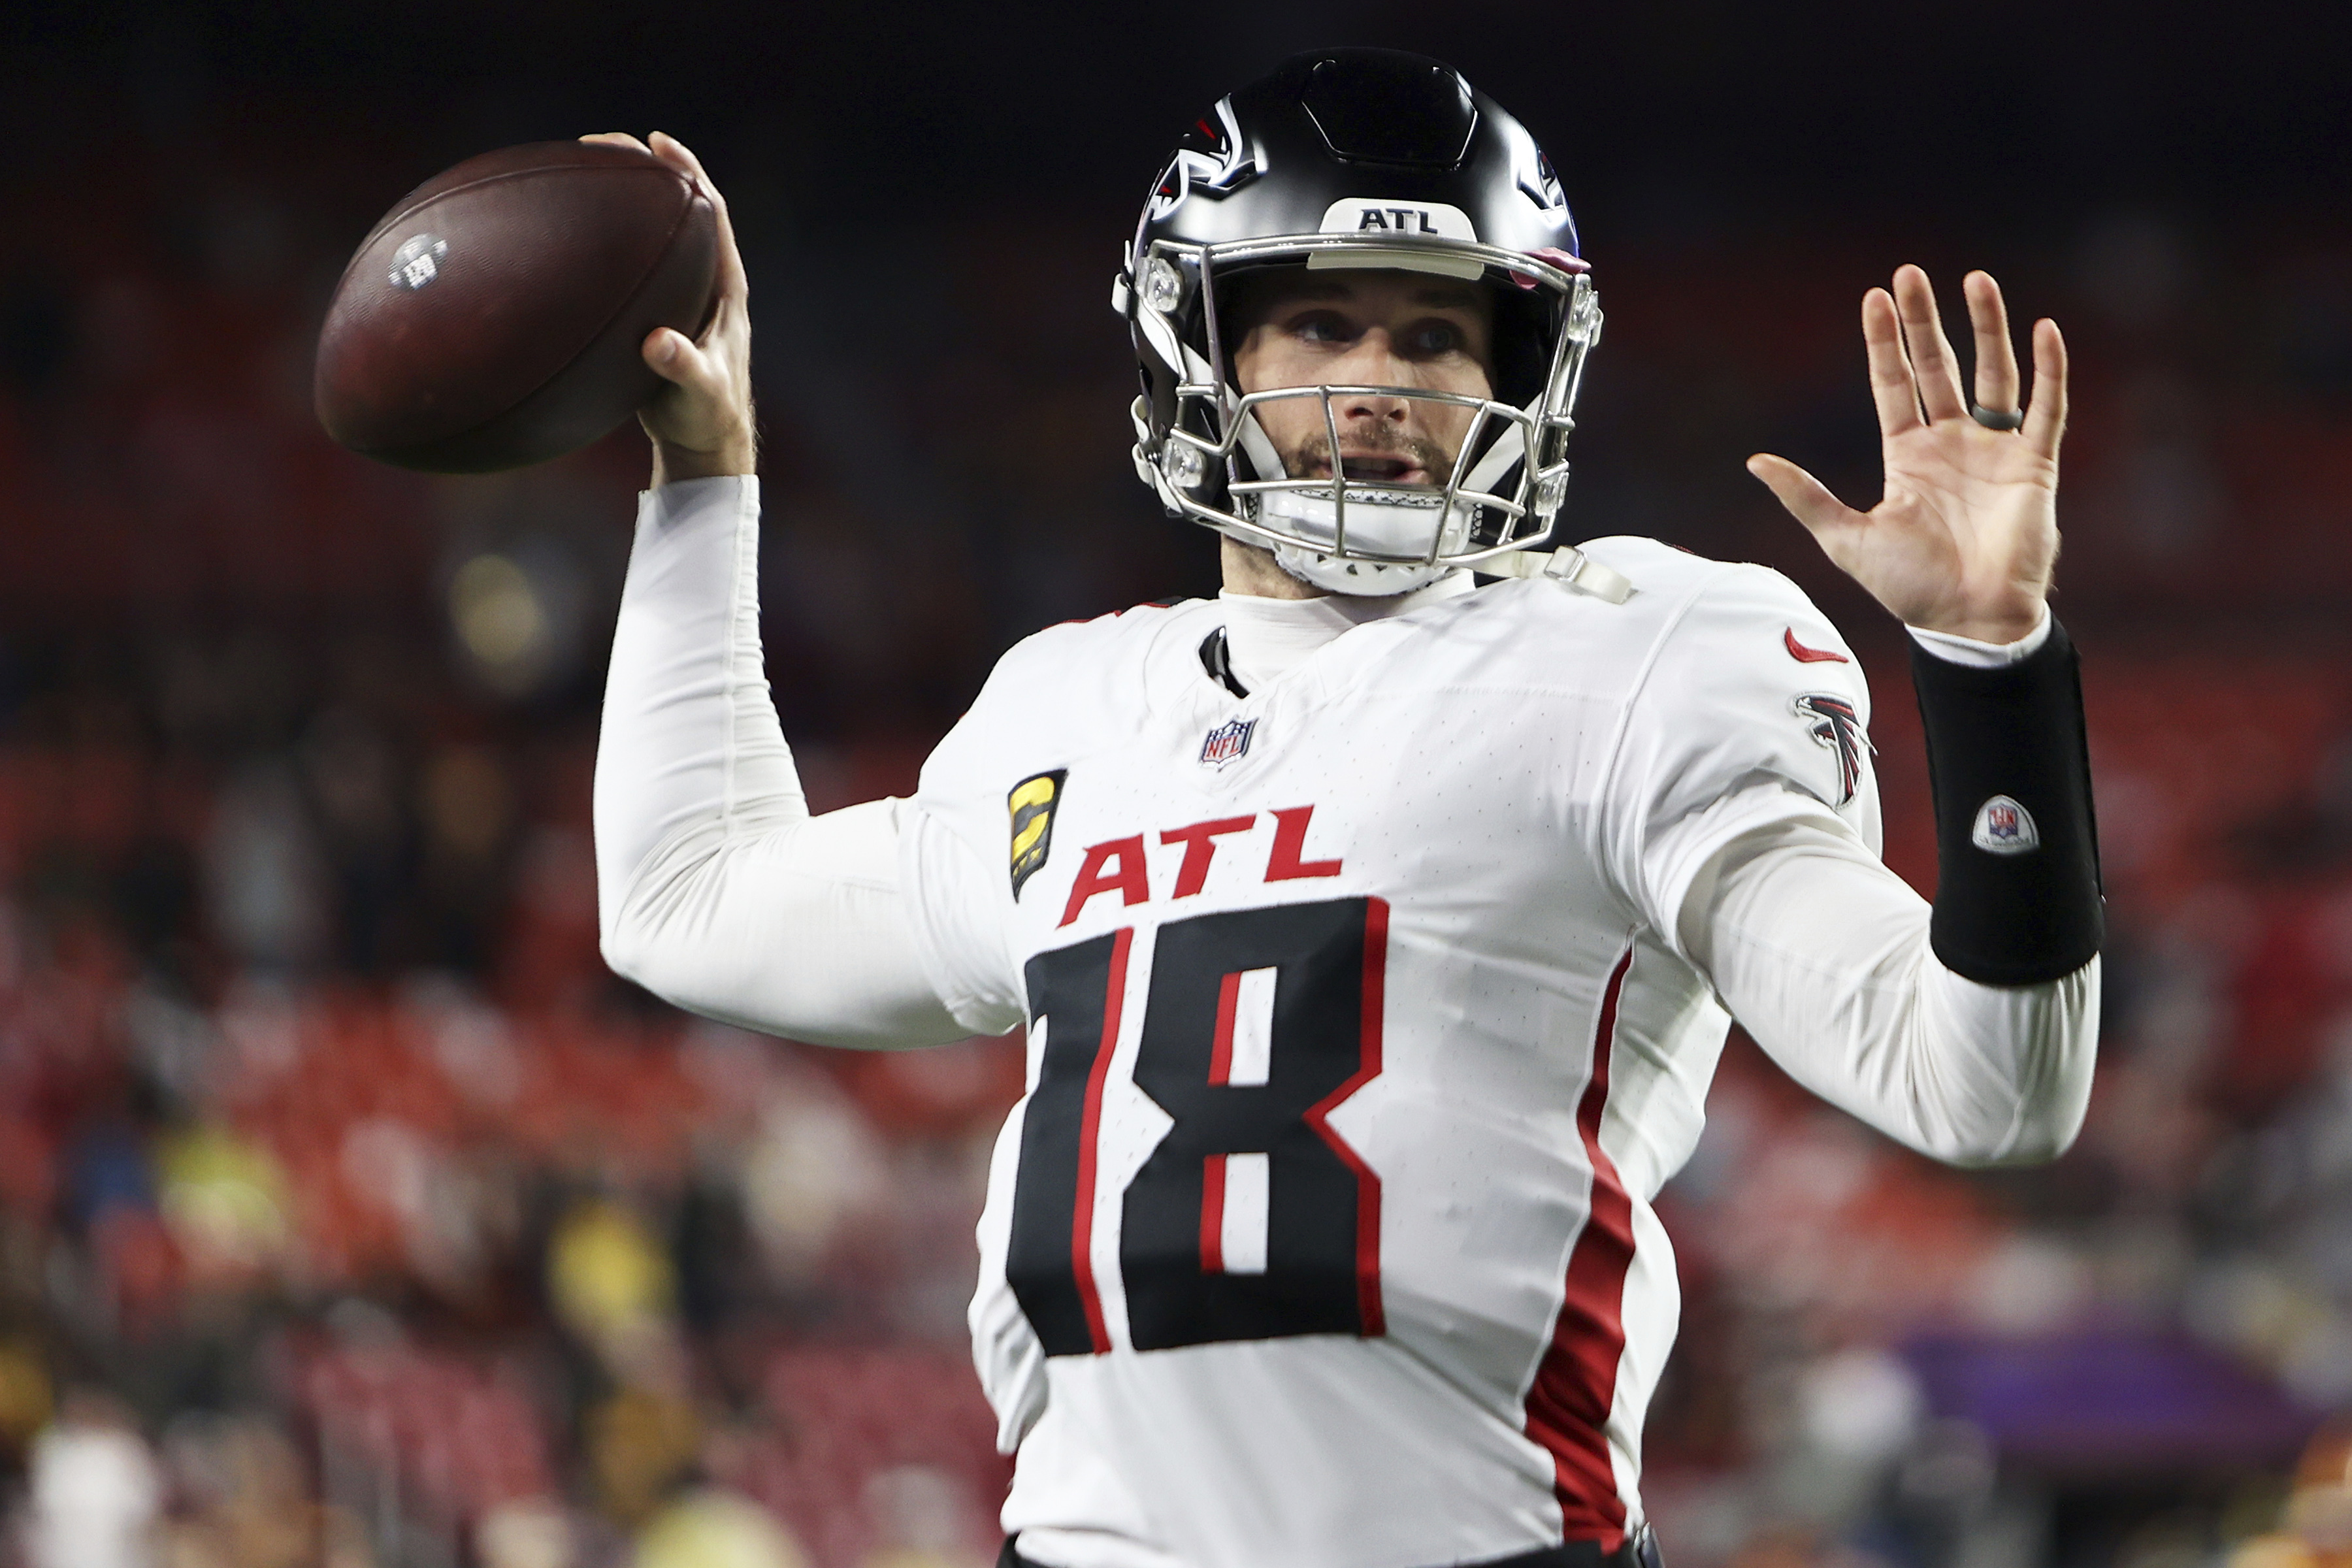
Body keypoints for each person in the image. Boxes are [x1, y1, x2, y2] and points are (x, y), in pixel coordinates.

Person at [588, 48, 2100, 1568]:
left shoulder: (1634, 657)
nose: (1378, 381)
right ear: (1203, 348)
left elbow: (1988, 1087)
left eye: (1438, 334)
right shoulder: (1070, 707)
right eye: (1319, 317)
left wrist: (1991, 666)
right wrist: (703, 475)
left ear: (1520, 374)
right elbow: (685, 901)